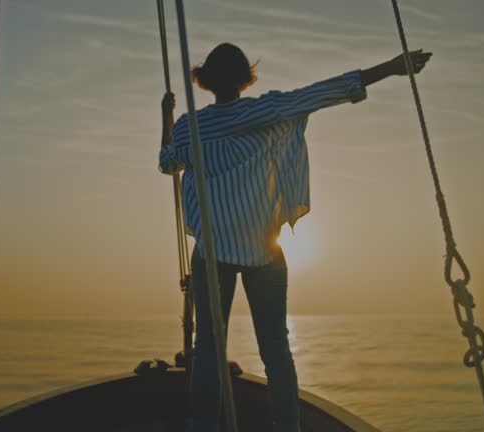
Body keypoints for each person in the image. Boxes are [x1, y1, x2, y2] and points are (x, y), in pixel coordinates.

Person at [158, 42, 431, 432]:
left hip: (213, 250)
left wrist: (166, 117)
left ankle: (203, 425)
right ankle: (287, 426)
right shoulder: (265, 110)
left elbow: (167, 162)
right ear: (242, 79)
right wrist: (390, 68)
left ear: (207, 81)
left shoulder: (188, 125)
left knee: (207, 350)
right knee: (275, 348)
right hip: (263, 249)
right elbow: (322, 92)